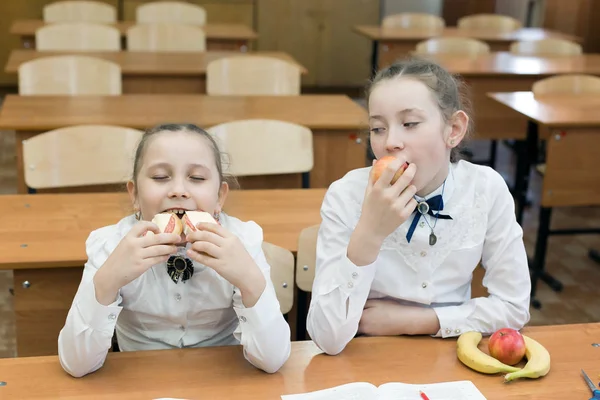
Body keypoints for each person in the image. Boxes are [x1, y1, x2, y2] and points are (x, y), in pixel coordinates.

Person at [306, 57, 531, 355]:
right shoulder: (345, 196)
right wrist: (370, 233)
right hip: (366, 357)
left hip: (453, 353)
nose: (391, 142)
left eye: (409, 123)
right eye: (378, 128)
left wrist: (417, 321)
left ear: (453, 129)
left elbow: (514, 307)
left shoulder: (486, 189)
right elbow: (327, 337)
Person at [58, 123, 291, 376]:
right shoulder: (111, 245)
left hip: (224, 379)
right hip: (139, 381)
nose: (179, 190)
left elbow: (272, 360)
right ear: (134, 194)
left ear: (220, 197)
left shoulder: (242, 241)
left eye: (197, 178)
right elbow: (76, 364)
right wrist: (105, 283)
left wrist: (250, 281)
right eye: (160, 177)